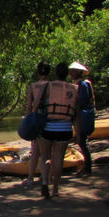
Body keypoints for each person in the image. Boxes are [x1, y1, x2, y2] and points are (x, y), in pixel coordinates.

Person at [37, 62, 78, 199]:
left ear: (55, 72)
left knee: (45, 157)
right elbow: (76, 112)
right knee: (59, 158)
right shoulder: (74, 88)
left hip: (48, 126)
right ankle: (55, 189)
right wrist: (77, 131)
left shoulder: (48, 86)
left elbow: (37, 103)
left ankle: (44, 182)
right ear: (67, 74)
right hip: (65, 127)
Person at [21, 61, 51, 186]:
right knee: (46, 153)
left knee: (35, 150)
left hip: (36, 119)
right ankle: (46, 178)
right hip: (48, 119)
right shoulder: (52, 85)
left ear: (38, 71)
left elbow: (29, 106)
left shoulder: (32, 86)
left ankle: (30, 177)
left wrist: (27, 122)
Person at [68, 61, 95, 176]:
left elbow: (81, 101)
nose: (70, 73)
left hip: (81, 116)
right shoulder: (84, 84)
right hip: (83, 115)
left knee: (81, 141)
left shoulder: (82, 85)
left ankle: (87, 168)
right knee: (81, 141)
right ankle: (87, 166)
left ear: (78, 72)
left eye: (72, 71)